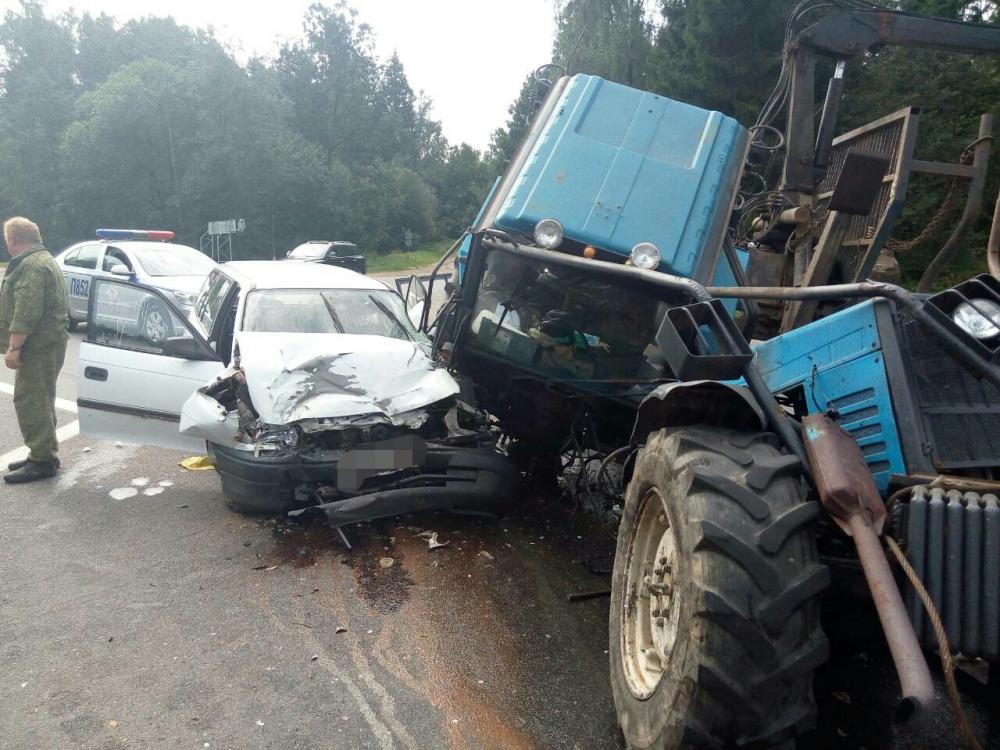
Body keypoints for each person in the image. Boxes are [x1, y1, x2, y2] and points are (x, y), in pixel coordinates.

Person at [1, 217, 70, 483]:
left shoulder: (30, 266)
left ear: (13, 240)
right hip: (49, 344)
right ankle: (43, 453)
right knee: (42, 399)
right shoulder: (43, 259)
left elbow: (26, 312)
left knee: (31, 400)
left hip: (38, 347)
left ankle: (42, 461)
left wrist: (13, 348)